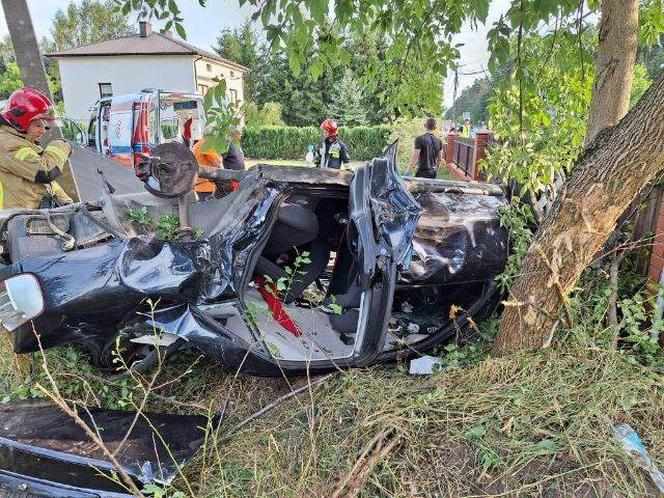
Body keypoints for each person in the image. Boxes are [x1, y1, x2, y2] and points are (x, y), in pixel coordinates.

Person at [0, 87, 73, 209]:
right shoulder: (7, 145)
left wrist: (66, 203)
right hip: (11, 221)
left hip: (28, 218)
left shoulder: (22, 141)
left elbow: (46, 184)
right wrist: (60, 146)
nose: (43, 131)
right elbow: (44, 172)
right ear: (20, 123)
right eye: (38, 125)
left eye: (45, 126)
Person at [192, 126, 222, 200]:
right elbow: (218, 164)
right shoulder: (207, 145)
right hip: (207, 185)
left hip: (199, 184)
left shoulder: (197, 144)